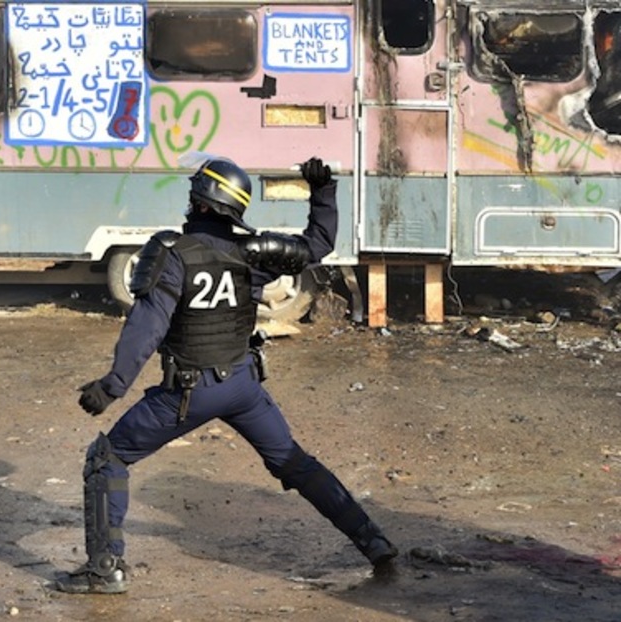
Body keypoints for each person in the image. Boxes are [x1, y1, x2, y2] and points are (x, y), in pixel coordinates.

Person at [56, 156, 398, 595]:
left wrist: (112, 387)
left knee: (107, 458)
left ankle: (104, 571)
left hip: (187, 394)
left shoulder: (172, 255)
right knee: (294, 463)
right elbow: (318, 244)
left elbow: (146, 327)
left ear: (198, 202)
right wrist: (323, 192)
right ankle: (374, 541)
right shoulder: (253, 255)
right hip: (242, 387)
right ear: (235, 208)